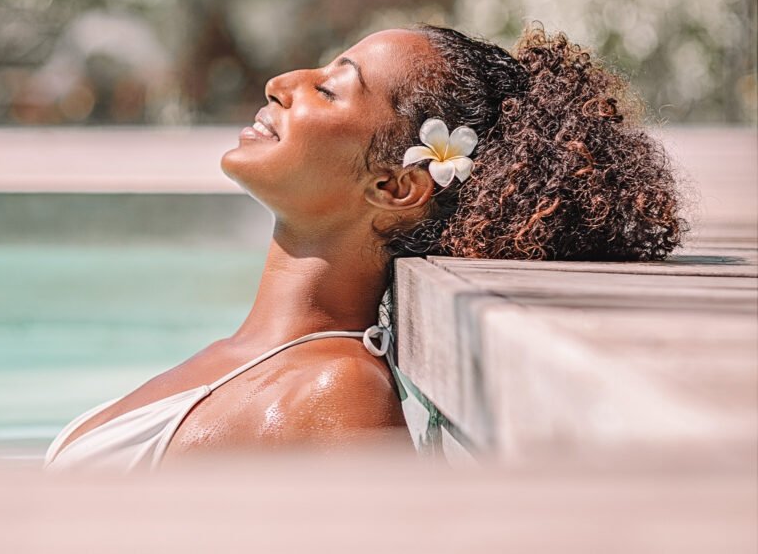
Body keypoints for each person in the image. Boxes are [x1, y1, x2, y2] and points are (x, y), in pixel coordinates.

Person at [44, 23, 688, 472]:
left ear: (395, 186)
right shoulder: (252, 358)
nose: (280, 82)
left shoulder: (337, 392)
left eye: (328, 89)